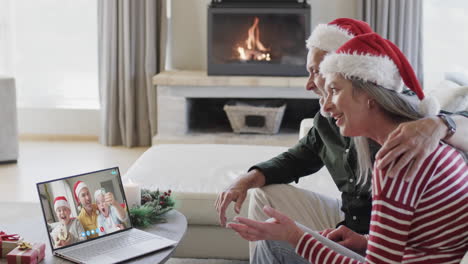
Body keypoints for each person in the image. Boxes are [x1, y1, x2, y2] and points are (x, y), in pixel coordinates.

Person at [215, 18, 468, 262]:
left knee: (277, 240)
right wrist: (365, 240)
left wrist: (442, 124)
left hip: (381, 239)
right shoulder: (348, 121)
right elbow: (296, 159)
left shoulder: (414, 138)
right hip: (368, 234)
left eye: (326, 80)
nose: (312, 88)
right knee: (267, 207)